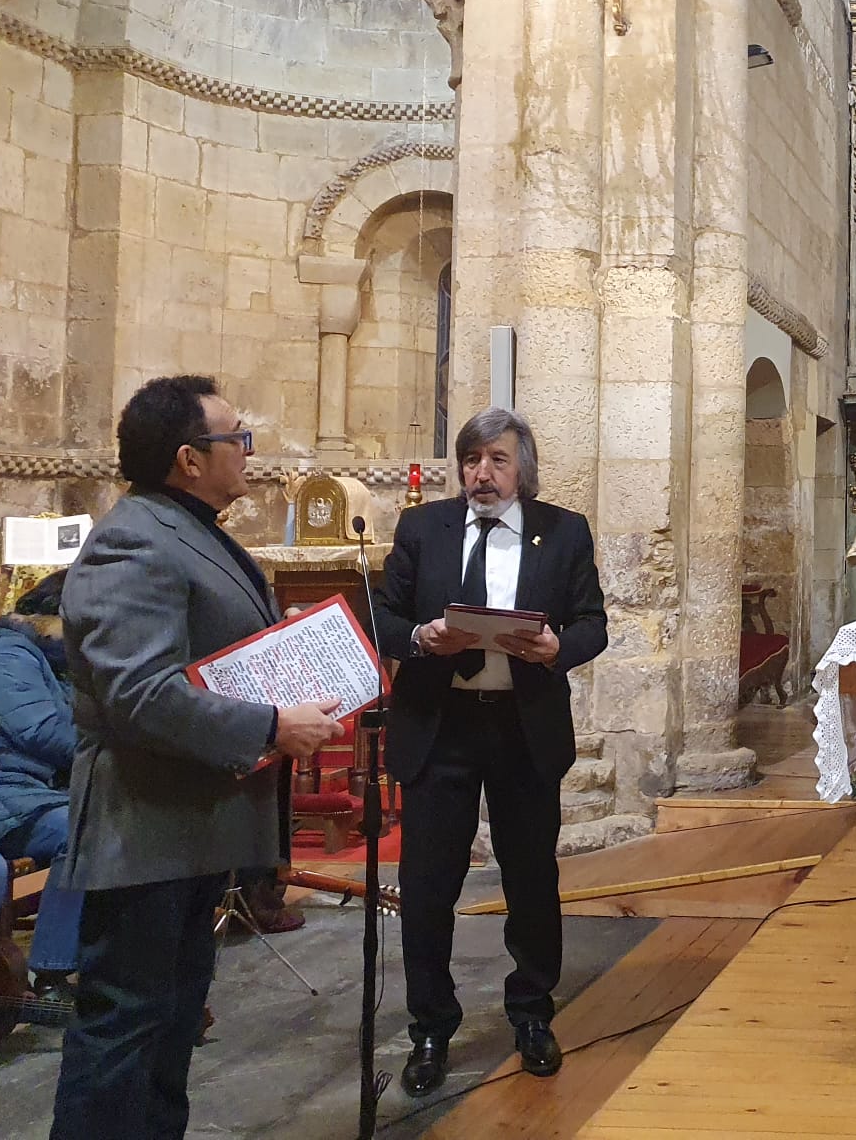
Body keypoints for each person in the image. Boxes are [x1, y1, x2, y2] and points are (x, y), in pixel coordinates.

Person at [49, 376, 343, 1140]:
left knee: (172, 1025)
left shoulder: (187, 527)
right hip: (144, 828)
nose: (248, 451)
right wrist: (270, 723)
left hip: (186, 823)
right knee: (124, 1031)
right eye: (235, 438)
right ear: (188, 458)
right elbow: (140, 694)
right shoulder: (132, 540)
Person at [375, 407, 609, 1097]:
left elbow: (593, 620)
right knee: (427, 888)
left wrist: (557, 648)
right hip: (439, 726)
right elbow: (382, 613)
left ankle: (532, 1013)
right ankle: (429, 1027)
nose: (482, 472)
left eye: (497, 459)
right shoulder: (424, 527)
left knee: (531, 880)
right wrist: (420, 637)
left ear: (522, 468)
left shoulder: (562, 532)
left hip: (521, 727)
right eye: (472, 458)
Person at [0, 571, 83, 1002]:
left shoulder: (44, 656)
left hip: (22, 791)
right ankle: (54, 972)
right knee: (83, 828)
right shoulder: (9, 655)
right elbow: (40, 730)